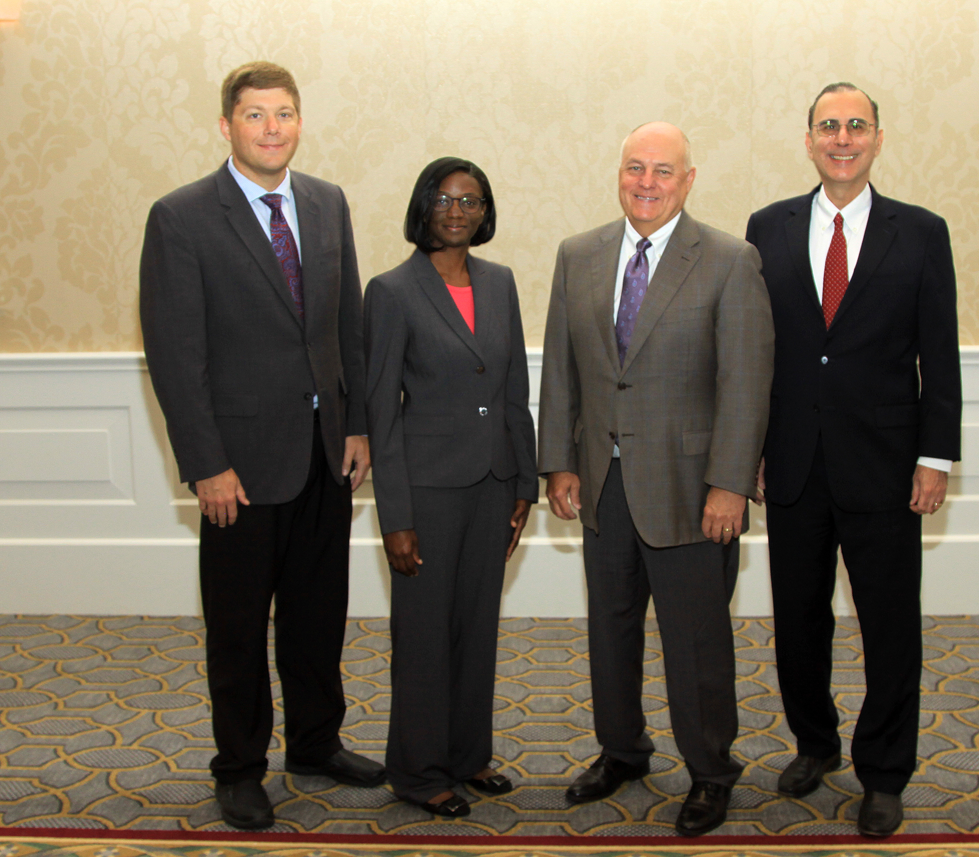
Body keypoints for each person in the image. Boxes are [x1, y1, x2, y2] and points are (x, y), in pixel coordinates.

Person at [139, 61, 385, 831]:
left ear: (299, 122)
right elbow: (176, 355)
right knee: (239, 626)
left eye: (283, 113)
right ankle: (240, 766)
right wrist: (206, 463)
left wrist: (357, 422)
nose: (271, 128)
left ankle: (315, 742)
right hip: (238, 466)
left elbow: (345, 324)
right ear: (227, 126)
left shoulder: (326, 201)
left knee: (319, 612)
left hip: (324, 452)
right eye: (254, 115)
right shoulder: (181, 217)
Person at [538, 122, 774, 837]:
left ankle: (710, 771)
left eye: (663, 171)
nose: (647, 182)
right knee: (610, 630)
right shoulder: (578, 254)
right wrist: (560, 460)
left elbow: (746, 384)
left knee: (695, 641)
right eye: (635, 168)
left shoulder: (730, 261)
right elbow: (562, 370)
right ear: (619, 174)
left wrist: (730, 484)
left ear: (688, 180)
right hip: (602, 484)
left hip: (692, 491)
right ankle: (622, 749)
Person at [745, 82, 962, 838]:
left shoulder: (922, 232)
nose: (842, 138)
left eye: (856, 126)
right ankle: (815, 742)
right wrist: (751, 451)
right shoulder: (767, 227)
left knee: (889, 626)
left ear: (877, 138)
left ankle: (884, 771)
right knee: (798, 621)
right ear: (808, 140)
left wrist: (935, 457)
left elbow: (941, 353)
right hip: (793, 461)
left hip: (888, 465)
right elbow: (756, 351)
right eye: (829, 126)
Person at [364, 157, 537, 818]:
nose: (457, 211)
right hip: (427, 491)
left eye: (471, 200)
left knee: (476, 625)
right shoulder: (391, 290)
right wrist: (394, 517)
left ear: (485, 212)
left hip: (493, 482)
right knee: (424, 635)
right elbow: (382, 413)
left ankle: (468, 755)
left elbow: (513, 388)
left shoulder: (500, 282)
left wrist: (524, 481)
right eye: (444, 199)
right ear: (423, 207)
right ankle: (417, 770)